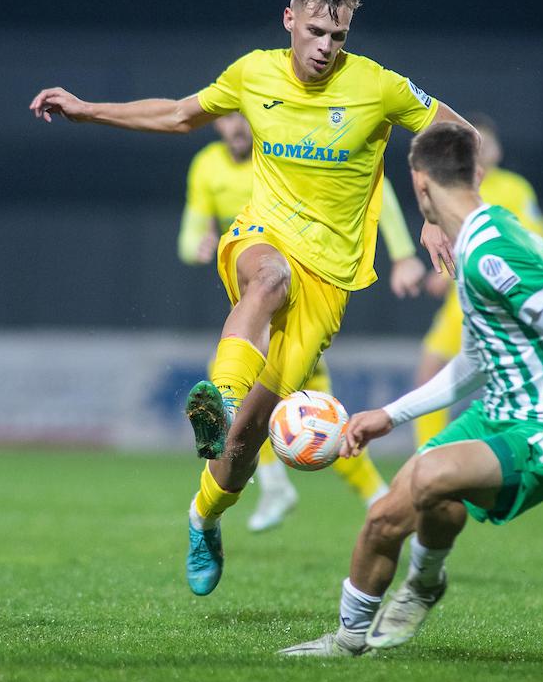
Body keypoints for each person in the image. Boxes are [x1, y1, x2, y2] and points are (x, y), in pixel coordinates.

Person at [31, 0, 473, 597]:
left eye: (339, 36)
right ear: (290, 20)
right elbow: (180, 114)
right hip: (262, 237)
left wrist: (436, 214)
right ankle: (224, 397)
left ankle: (203, 514)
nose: (326, 47)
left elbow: (454, 132)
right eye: (316, 30)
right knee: (266, 279)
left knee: (240, 451)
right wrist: (88, 109)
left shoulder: (377, 87)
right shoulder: (253, 72)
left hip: (330, 279)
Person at [280, 123, 543, 657]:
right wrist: (390, 415)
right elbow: (475, 360)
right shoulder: (473, 243)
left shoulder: (493, 247)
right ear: (475, 173)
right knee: (388, 513)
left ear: (420, 185)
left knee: (430, 475)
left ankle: (421, 583)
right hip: (499, 414)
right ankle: (353, 635)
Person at [179, 111, 428, 531]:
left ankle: (368, 499)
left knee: (310, 421)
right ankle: (295, 487)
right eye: (228, 119)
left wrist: (403, 254)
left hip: (305, 297)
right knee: (297, 416)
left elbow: (372, 184)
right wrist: (196, 246)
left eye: (245, 118)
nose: (238, 127)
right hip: (259, 292)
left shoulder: (283, 151)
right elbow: (189, 233)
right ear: (218, 124)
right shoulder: (207, 165)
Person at [413, 114, 543, 513]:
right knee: (428, 373)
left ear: (497, 151)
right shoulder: (452, 186)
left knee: (532, 385)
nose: (481, 150)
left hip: (502, 297)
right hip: (461, 299)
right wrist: (442, 271)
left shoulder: (512, 188)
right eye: (474, 143)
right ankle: (425, 458)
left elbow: (536, 239)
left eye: (486, 143)